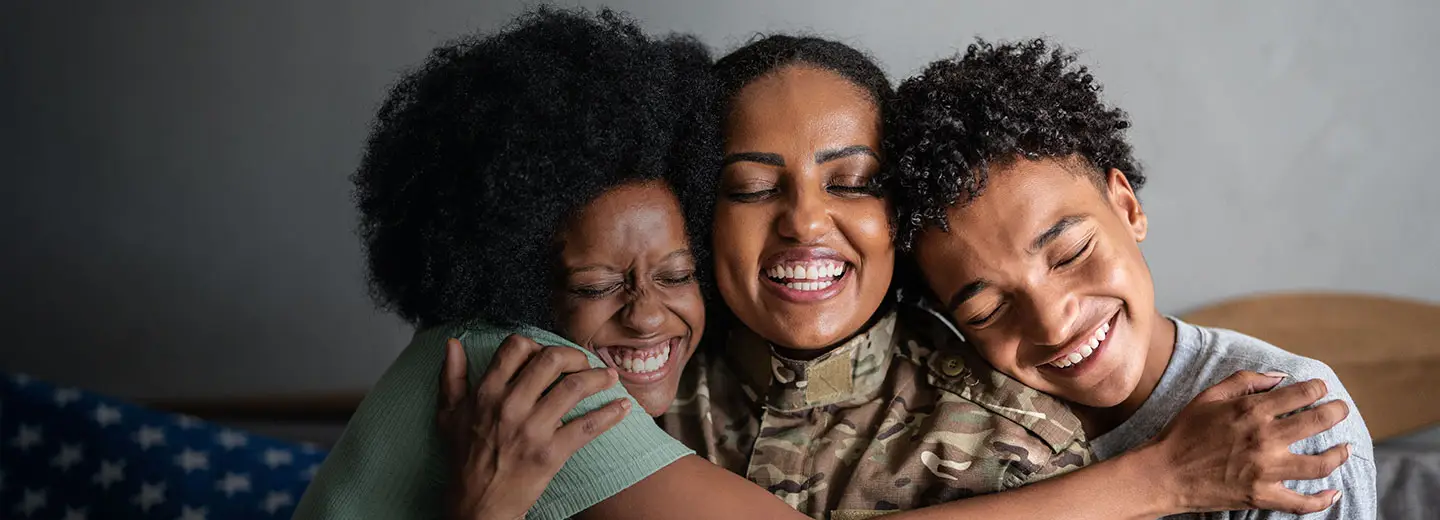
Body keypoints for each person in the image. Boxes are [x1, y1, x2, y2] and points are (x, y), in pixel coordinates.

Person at [440, 33, 1354, 520]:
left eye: (851, 183)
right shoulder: (625, 384)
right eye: (753, 187)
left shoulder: (1021, 448)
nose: (803, 219)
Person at [294, 8, 815, 520]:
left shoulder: (470, 342)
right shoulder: (534, 376)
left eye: (676, 276)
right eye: (596, 287)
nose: (647, 316)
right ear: (518, 276)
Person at [886, 38, 1377, 518]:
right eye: (987, 311)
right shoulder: (951, 441)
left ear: (1127, 207)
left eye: (1070, 254)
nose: (1054, 327)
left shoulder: (1279, 421)